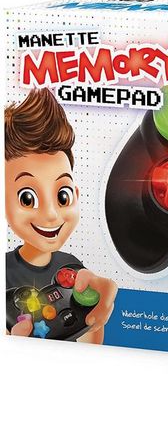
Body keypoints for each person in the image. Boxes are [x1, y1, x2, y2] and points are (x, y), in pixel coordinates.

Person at [5, 88, 117, 344]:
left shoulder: (71, 265)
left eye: (62, 196)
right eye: (27, 199)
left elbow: (92, 346)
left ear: (76, 194)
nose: (51, 214)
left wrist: (95, 317)